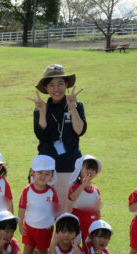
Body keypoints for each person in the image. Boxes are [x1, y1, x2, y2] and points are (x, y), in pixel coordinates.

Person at [28, 64, 86, 210]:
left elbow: (80, 130)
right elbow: (42, 135)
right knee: (42, 210)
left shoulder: (76, 105)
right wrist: (42, 112)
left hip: (69, 165)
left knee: (65, 213)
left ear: (66, 84)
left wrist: (72, 108)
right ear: (46, 89)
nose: (56, 89)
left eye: (60, 83)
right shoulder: (41, 107)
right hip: (45, 167)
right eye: (51, 85)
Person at [18, 155, 59, 254]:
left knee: (43, 250)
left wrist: (58, 227)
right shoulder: (27, 190)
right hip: (29, 226)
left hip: (46, 227)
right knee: (28, 249)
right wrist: (20, 224)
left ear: (52, 175)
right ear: (32, 172)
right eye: (40, 172)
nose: (43, 176)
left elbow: (56, 210)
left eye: (47, 173)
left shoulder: (52, 192)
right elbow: (21, 208)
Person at [68, 155, 102, 241]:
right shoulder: (75, 186)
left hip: (91, 220)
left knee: (89, 243)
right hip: (76, 219)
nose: (90, 171)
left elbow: (97, 208)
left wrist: (98, 223)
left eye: (93, 169)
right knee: (75, 242)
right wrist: (83, 185)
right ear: (80, 170)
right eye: (87, 168)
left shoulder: (96, 190)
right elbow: (72, 197)